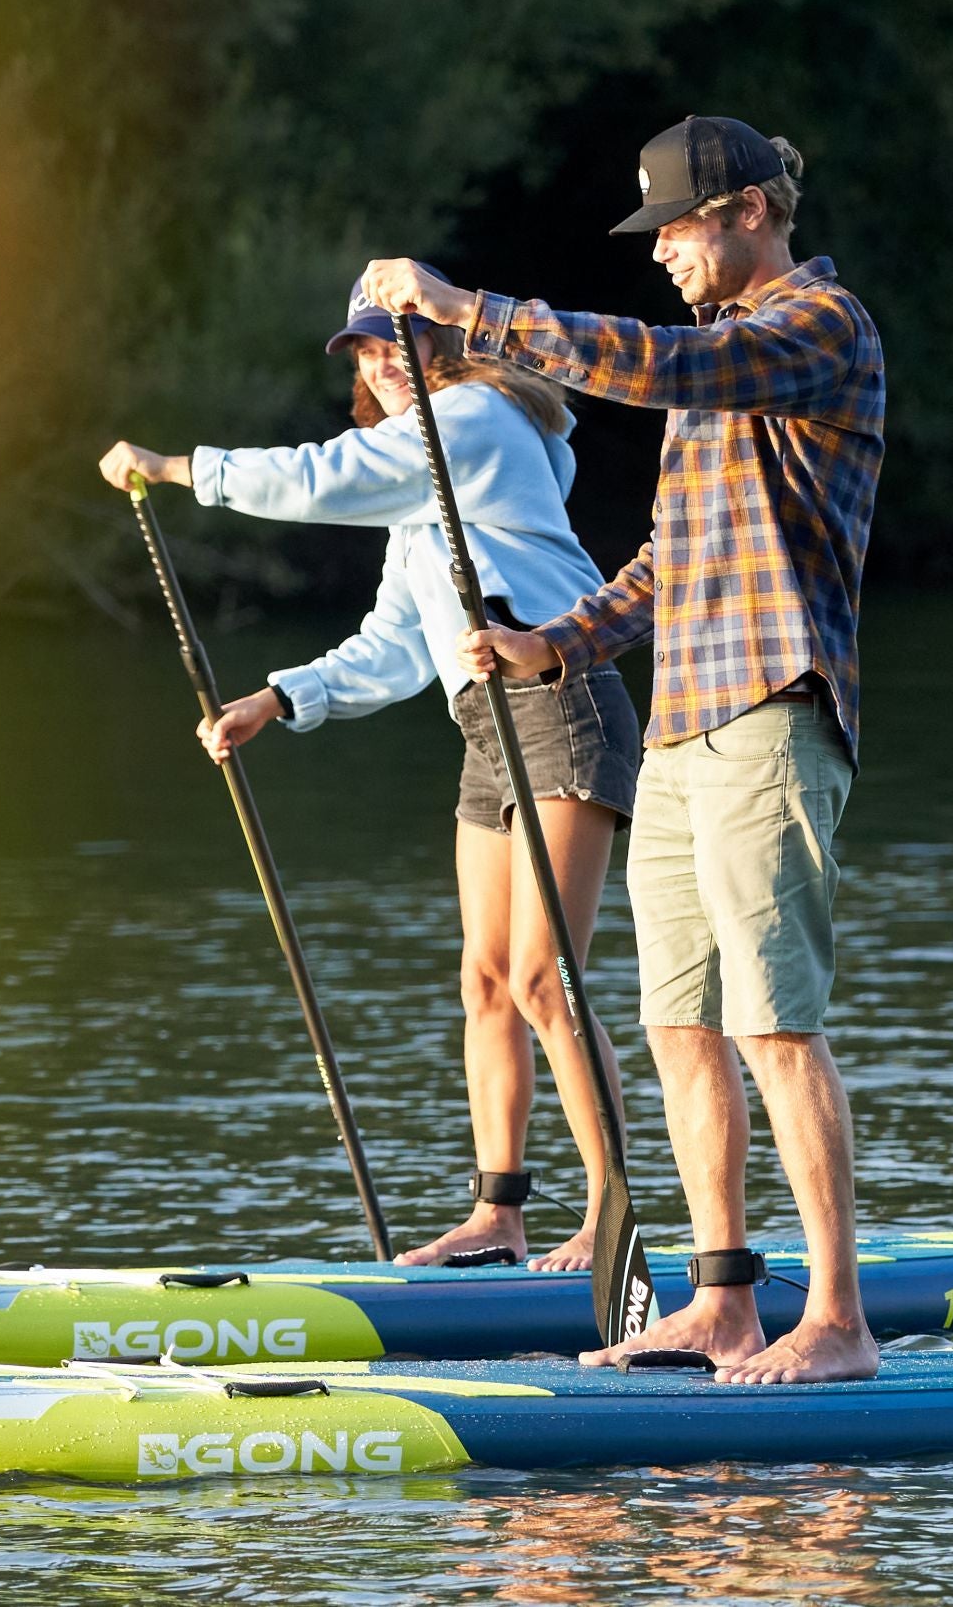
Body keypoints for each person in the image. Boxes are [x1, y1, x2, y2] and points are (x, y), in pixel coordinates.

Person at [361, 115, 886, 1382]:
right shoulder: (716, 358)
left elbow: (651, 367)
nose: (661, 254)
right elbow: (667, 559)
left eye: (679, 229)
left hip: (772, 709)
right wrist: (556, 646)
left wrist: (469, 311)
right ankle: (721, 1300)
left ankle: (839, 1323)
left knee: (774, 1028)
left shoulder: (817, 331)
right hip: (678, 730)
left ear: (752, 212)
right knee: (680, 1027)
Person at [97, 271, 642, 1271]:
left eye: (400, 341)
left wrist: (180, 469)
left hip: (561, 699)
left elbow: (321, 479)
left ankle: (611, 1211)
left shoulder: (475, 418)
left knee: (542, 978)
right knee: (483, 981)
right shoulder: (418, 489)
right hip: (487, 722)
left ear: (448, 349)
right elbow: (394, 640)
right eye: (365, 348)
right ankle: (499, 1217)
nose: (381, 359)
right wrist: (280, 696)